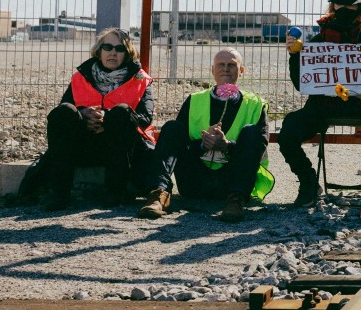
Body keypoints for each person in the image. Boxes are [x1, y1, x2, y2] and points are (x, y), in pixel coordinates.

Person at [278, 0, 361, 210]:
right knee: (288, 130)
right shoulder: (320, 38)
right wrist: (296, 55)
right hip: (324, 104)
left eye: (351, 6)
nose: (345, 10)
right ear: (333, 6)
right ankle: (308, 183)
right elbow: (301, 83)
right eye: (340, 5)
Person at [137, 48, 272, 223]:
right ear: (212, 70)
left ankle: (237, 201)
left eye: (231, 65)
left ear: (241, 71)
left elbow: (259, 147)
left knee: (252, 131)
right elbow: (178, 143)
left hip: (232, 183)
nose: (225, 69)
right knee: (171, 127)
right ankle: (158, 194)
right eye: (221, 65)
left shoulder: (256, 104)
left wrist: (227, 145)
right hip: (194, 181)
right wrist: (202, 145)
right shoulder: (195, 99)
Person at [36, 27, 155, 210]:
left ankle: (115, 194)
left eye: (120, 48)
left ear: (127, 53)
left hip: (123, 149)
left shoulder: (140, 80)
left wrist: (108, 119)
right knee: (65, 111)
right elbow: (63, 114)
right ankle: (59, 194)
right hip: (85, 145)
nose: (113, 52)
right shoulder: (80, 77)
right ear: (99, 51)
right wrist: (84, 116)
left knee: (122, 112)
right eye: (108, 47)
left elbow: (145, 118)